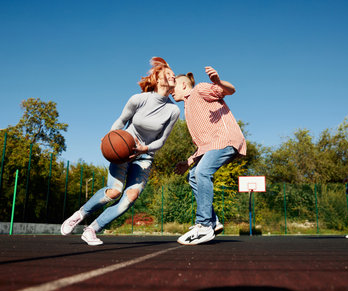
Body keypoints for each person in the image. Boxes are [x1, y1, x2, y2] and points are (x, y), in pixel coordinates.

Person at [61, 57, 180, 245]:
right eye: (169, 73)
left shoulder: (173, 110)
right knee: (114, 192)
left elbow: (162, 140)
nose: (174, 76)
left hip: (145, 156)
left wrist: (144, 149)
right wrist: (110, 136)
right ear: (157, 78)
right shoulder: (138, 99)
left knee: (130, 196)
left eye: (174, 74)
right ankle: (80, 214)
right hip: (123, 151)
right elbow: (121, 121)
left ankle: (92, 229)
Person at [172, 66, 246, 245]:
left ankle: (204, 225)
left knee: (202, 173)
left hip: (226, 140)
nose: (169, 92)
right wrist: (189, 162)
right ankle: (213, 221)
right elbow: (205, 145)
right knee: (193, 176)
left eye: (172, 87)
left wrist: (218, 82)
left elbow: (231, 90)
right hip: (214, 145)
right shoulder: (188, 107)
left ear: (183, 85)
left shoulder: (199, 90)